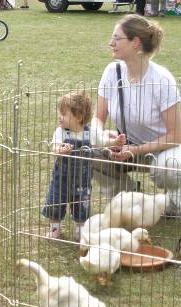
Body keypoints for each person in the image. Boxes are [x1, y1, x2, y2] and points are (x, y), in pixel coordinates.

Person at [91, 14, 181, 214]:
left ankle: (174, 203)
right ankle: (129, 198)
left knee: (170, 166)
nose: (111, 43)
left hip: (164, 149)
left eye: (117, 38)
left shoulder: (162, 80)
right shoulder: (112, 72)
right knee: (89, 149)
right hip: (125, 147)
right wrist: (101, 136)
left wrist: (135, 149)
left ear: (135, 43)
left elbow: (176, 135)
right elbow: (98, 117)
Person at [42, 91, 124, 240]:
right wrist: (60, 150)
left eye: (64, 114)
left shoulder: (89, 133)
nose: (60, 117)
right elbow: (54, 147)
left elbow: (101, 142)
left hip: (82, 180)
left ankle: (81, 229)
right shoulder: (61, 132)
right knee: (56, 201)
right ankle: (55, 228)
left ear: (79, 117)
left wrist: (114, 142)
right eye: (59, 113)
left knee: (81, 204)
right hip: (61, 179)